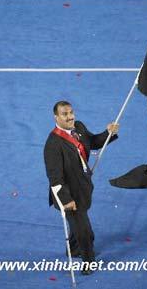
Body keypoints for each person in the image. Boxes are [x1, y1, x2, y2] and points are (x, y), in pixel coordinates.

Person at [44, 100, 119, 275]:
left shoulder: (79, 127)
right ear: (56, 117)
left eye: (71, 112)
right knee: (84, 231)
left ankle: (73, 249)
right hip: (68, 194)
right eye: (65, 114)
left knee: (76, 225)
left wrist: (108, 133)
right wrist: (66, 199)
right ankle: (88, 261)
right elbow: (55, 177)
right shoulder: (53, 144)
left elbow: (92, 142)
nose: (70, 117)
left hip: (83, 187)